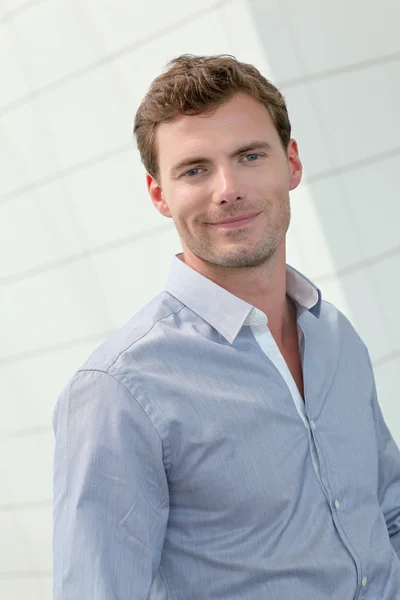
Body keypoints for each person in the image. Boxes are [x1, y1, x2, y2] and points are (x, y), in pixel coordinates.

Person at [53, 54, 400, 599]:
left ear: (291, 163)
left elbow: (388, 512)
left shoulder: (334, 335)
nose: (227, 188)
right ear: (159, 194)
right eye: (195, 169)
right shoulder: (118, 390)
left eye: (249, 155)